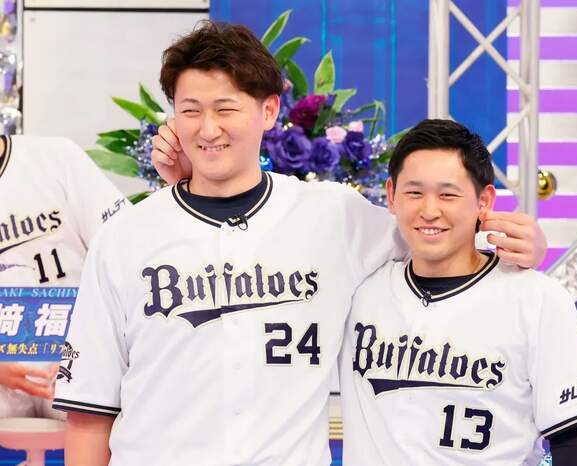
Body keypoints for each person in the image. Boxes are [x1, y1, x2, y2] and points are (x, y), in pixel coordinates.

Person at [53, 21, 546, 465]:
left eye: (226, 109)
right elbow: (89, 413)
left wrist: (504, 235)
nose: (208, 128)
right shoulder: (126, 237)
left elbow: (431, 233)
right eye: (190, 111)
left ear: (269, 111)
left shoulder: (333, 216)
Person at [340, 119, 577, 466]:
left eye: (448, 194)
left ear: (484, 200)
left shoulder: (536, 298)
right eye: (414, 193)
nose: (429, 210)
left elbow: (575, 440)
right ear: (391, 195)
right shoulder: (359, 290)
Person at [0, 134, 128, 419]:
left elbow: (126, 253)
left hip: (77, 353)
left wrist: (89, 351)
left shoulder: (55, 157)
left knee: (91, 405)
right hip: (4, 377)